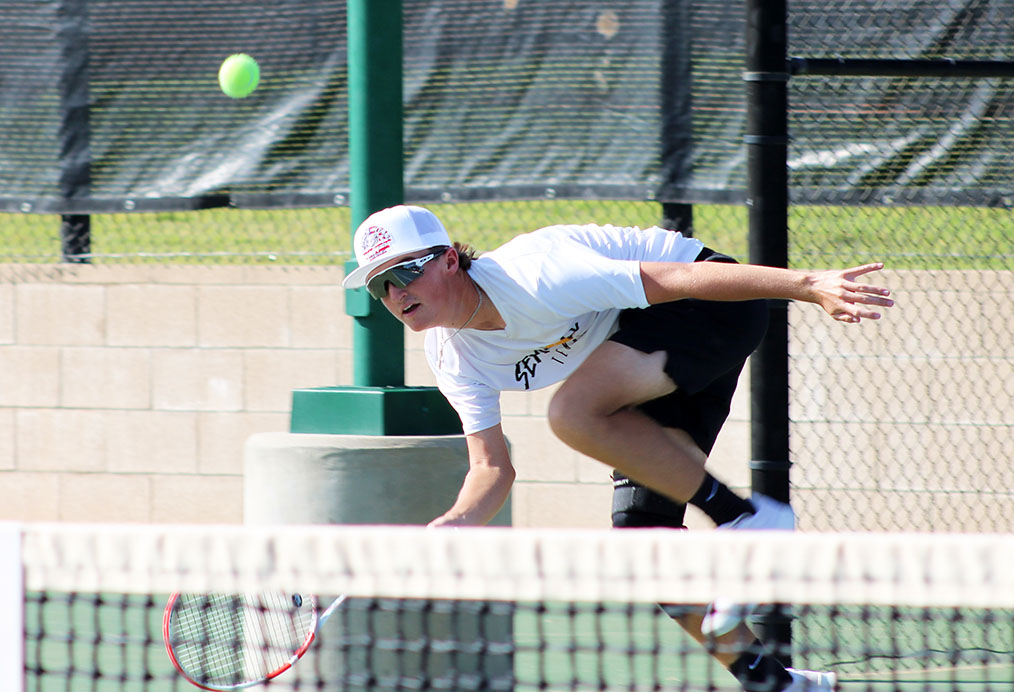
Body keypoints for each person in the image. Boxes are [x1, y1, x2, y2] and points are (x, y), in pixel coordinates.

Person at [342, 204, 894, 692]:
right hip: (641, 355)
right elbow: (492, 467)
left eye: (407, 271)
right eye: (379, 286)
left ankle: (745, 519)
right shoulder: (453, 357)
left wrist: (807, 284)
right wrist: (457, 522)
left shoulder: (534, 275)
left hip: (707, 303)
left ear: (448, 261)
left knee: (572, 412)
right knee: (643, 548)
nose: (396, 293)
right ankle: (779, 684)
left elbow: (676, 276)